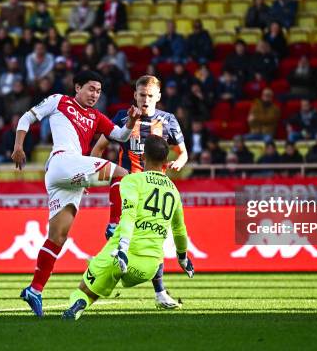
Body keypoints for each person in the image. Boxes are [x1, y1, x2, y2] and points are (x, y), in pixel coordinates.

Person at [13, 70, 140, 317]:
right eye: (91, 89)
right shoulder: (60, 100)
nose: (95, 95)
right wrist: (18, 146)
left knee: (57, 237)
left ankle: (35, 289)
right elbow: (26, 119)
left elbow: (121, 136)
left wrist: (131, 122)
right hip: (63, 162)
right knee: (123, 174)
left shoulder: (96, 116)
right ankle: (114, 225)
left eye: (99, 91)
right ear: (78, 87)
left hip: (69, 178)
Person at [62, 135, 194, 320]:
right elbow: (180, 230)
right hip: (149, 268)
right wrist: (183, 258)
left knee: (85, 289)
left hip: (121, 256)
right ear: (166, 161)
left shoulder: (131, 181)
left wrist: (123, 249)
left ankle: (80, 303)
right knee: (109, 269)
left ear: (142, 157)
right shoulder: (173, 190)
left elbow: (129, 216)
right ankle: (158, 292)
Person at [90, 75, 188, 309]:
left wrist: (180, 162)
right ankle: (105, 273)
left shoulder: (168, 121)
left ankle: (159, 292)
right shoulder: (123, 118)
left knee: (153, 239)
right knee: (114, 230)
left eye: (150, 96)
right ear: (135, 94)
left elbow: (183, 152)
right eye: (142, 95)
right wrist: (91, 175)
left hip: (155, 188)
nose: (145, 100)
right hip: (128, 183)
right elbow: (99, 148)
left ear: (159, 97)